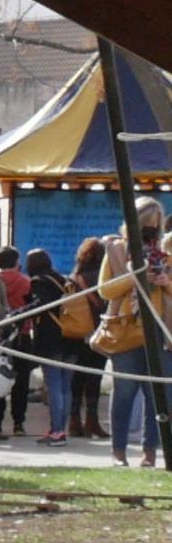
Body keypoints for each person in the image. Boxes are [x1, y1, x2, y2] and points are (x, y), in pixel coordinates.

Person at [96, 196, 171, 469]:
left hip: (161, 334)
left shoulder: (167, 251)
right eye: (144, 225)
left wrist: (166, 281)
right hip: (126, 332)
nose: (150, 231)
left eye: (154, 225)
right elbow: (104, 290)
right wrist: (134, 276)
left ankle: (150, 453)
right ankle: (118, 452)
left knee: (158, 396)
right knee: (124, 392)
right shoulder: (116, 250)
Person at [23, 248, 73, 445]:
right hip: (71, 338)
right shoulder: (64, 280)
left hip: (51, 340)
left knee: (54, 386)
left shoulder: (39, 282)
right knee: (65, 386)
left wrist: (18, 313)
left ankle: (57, 430)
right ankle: (61, 429)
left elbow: (39, 305)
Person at [69, 237, 111, 439]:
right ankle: (92, 422)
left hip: (77, 332)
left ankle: (74, 421)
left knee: (77, 377)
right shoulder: (103, 277)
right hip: (98, 331)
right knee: (95, 376)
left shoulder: (75, 277)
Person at [0, 246, 34, 436]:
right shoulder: (25, 282)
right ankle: (18, 423)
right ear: (16, 262)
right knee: (21, 381)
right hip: (22, 335)